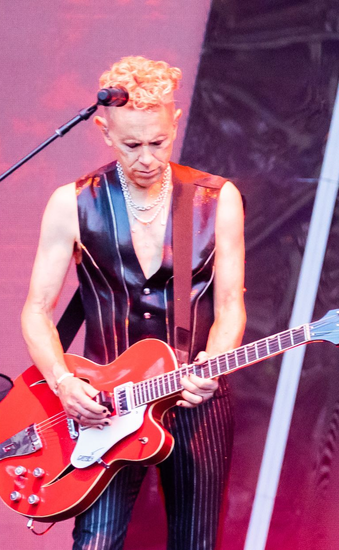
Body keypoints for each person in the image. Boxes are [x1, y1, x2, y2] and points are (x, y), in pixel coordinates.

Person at [21, 56, 246, 549]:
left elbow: (231, 304)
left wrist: (214, 364)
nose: (147, 158)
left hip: (194, 400)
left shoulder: (217, 199)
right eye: (132, 145)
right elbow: (36, 310)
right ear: (104, 131)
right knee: (95, 543)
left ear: (175, 122)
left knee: (196, 542)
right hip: (104, 403)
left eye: (158, 142)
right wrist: (63, 382)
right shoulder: (71, 203)